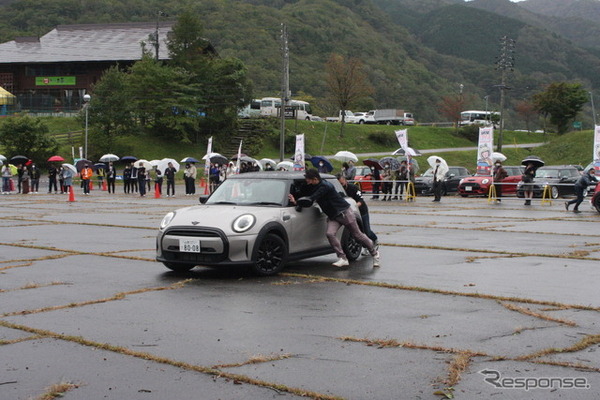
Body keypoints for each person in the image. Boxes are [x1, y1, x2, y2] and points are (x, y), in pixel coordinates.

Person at [288, 168, 380, 268]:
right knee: (330, 234)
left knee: (357, 235)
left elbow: (313, 197)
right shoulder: (313, 186)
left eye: (308, 179)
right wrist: (296, 201)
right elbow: (308, 196)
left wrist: (300, 201)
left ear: (314, 179)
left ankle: (375, 254)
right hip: (333, 216)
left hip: (344, 213)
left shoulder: (325, 186)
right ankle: (343, 258)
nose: (307, 181)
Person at [337, 173, 378, 253]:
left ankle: (375, 240)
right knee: (358, 232)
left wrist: (354, 206)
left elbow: (361, 200)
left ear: (345, 181)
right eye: (339, 184)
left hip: (361, 211)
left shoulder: (354, 188)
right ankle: (366, 246)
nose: (341, 186)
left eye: (342, 183)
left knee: (367, 231)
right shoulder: (338, 191)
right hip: (349, 213)